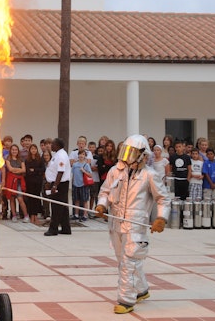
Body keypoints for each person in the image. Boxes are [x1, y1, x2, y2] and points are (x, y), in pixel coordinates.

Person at [95, 135, 168, 314]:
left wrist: (161, 218)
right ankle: (141, 290)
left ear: (142, 155)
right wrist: (102, 204)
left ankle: (126, 300)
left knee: (128, 263)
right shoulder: (115, 171)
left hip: (136, 225)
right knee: (125, 261)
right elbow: (104, 191)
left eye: (131, 152)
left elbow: (163, 199)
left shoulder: (150, 175)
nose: (127, 156)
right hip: (116, 224)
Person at [43, 138, 71, 236]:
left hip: (60, 184)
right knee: (62, 207)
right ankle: (66, 228)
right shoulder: (57, 154)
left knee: (56, 206)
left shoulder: (61, 155)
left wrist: (54, 185)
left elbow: (60, 171)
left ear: (58, 145)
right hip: (56, 183)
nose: (51, 146)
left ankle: (53, 229)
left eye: (53, 144)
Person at [3, 144, 29, 222]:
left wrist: (16, 170)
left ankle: (26, 215)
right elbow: (10, 169)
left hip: (19, 181)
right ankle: (14, 215)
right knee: (12, 198)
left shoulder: (21, 159)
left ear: (18, 151)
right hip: (10, 180)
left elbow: (24, 170)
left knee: (20, 198)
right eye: (13, 150)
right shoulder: (8, 159)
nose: (14, 151)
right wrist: (18, 169)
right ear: (10, 151)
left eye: (16, 150)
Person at [24, 143, 44, 224]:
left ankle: (35, 216)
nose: (33, 150)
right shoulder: (27, 160)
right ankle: (31, 215)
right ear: (30, 150)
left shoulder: (40, 159)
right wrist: (35, 171)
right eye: (32, 149)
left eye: (35, 149)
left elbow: (42, 169)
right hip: (29, 182)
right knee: (30, 199)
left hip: (38, 182)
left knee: (36, 198)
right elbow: (28, 171)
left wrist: (34, 170)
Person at [70, 149, 92, 222]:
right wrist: (72, 183)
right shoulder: (75, 165)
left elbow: (90, 175)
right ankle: (76, 214)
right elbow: (72, 174)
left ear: (85, 156)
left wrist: (84, 171)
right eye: (80, 154)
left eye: (83, 154)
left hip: (84, 185)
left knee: (85, 200)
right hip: (75, 184)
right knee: (76, 200)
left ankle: (85, 215)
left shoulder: (86, 165)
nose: (81, 156)